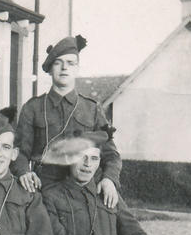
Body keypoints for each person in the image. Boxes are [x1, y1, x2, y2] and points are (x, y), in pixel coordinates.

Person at [12, 35, 121, 208]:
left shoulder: (91, 109)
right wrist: (23, 172)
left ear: (77, 69)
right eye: (58, 62)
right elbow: (20, 153)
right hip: (43, 188)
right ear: (49, 69)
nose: (64, 68)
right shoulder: (33, 108)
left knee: (120, 221)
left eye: (70, 63)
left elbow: (111, 155)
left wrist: (109, 179)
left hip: (83, 190)